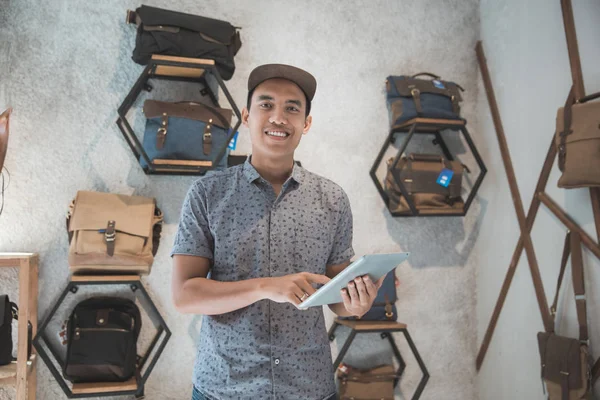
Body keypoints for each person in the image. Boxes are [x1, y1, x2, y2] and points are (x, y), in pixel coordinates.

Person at [171, 64, 385, 400]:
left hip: (308, 387)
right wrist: (265, 286)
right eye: (266, 105)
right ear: (246, 116)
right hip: (224, 388)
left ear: (306, 124)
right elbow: (185, 295)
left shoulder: (332, 199)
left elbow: (337, 299)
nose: (278, 118)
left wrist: (357, 304)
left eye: (292, 108)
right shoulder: (207, 194)